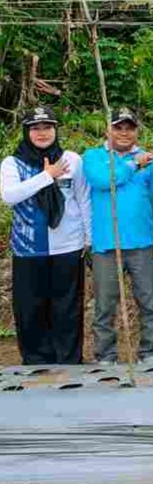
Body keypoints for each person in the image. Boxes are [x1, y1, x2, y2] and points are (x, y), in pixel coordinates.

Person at [1, 106, 91, 365]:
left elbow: (83, 199)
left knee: (68, 309)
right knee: (31, 309)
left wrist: (89, 239)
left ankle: (69, 361)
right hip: (28, 248)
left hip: (69, 246)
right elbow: (9, 196)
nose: (42, 133)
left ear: (55, 130)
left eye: (47, 127)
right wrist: (46, 176)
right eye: (35, 128)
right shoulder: (12, 163)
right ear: (26, 132)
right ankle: (36, 362)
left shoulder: (71, 159)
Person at [82, 108, 153, 365]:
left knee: (148, 302)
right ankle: (105, 355)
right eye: (118, 127)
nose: (123, 132)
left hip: (143, 243)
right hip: (107, 244)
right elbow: (101, 181)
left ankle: (149, 352)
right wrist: (133, 165)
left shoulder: (149, 161)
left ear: (136, 131)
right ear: (108, 129)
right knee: (105, 304)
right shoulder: (94, 156)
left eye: (129, 127)